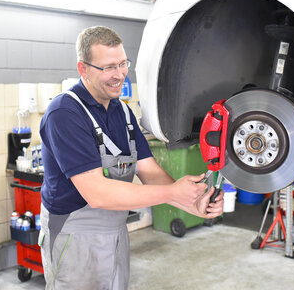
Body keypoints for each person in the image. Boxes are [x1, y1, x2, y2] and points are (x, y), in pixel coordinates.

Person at [38, 26, 224, 290]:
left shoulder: (122, 113)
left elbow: (150, 172)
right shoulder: (65, 113)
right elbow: (97, 194)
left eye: (123, 63)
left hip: (114, 232)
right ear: (83, 69)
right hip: (74, 237)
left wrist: (193, 202)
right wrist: (173, 194)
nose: (119, 75)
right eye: (108, 67)